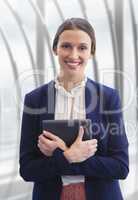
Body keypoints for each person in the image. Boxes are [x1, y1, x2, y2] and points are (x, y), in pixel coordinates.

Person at [19, 18, 129, 200]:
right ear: (56, 49)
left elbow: (121, 166)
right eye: (66, 46)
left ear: (91, 52)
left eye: (82, 48)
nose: (73, 55)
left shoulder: (108, 98)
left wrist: (66, 155)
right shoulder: (35, 100)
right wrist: (68, 156)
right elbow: (27, 169)